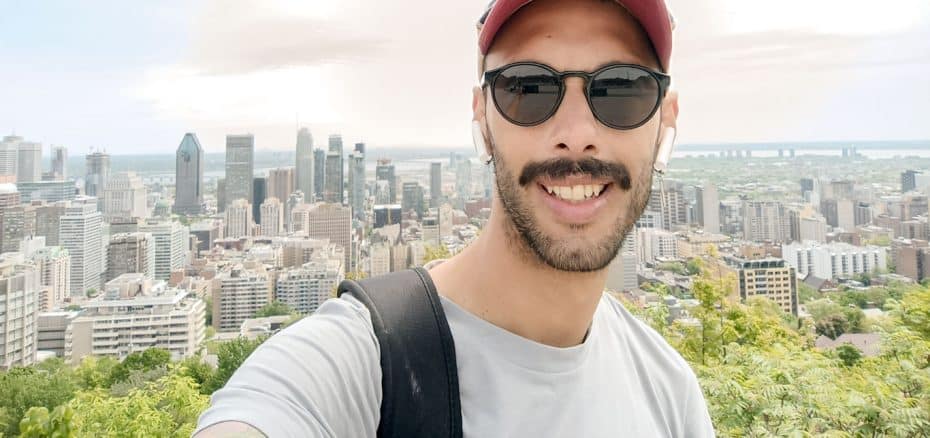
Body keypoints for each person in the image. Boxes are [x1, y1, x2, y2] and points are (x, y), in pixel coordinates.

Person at [194, 0, 714, 436]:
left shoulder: (669, 392)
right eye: (528, 88)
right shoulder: (366, 363)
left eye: (621, 89)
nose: (576, 132)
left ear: (665, 121)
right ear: (482, 120)